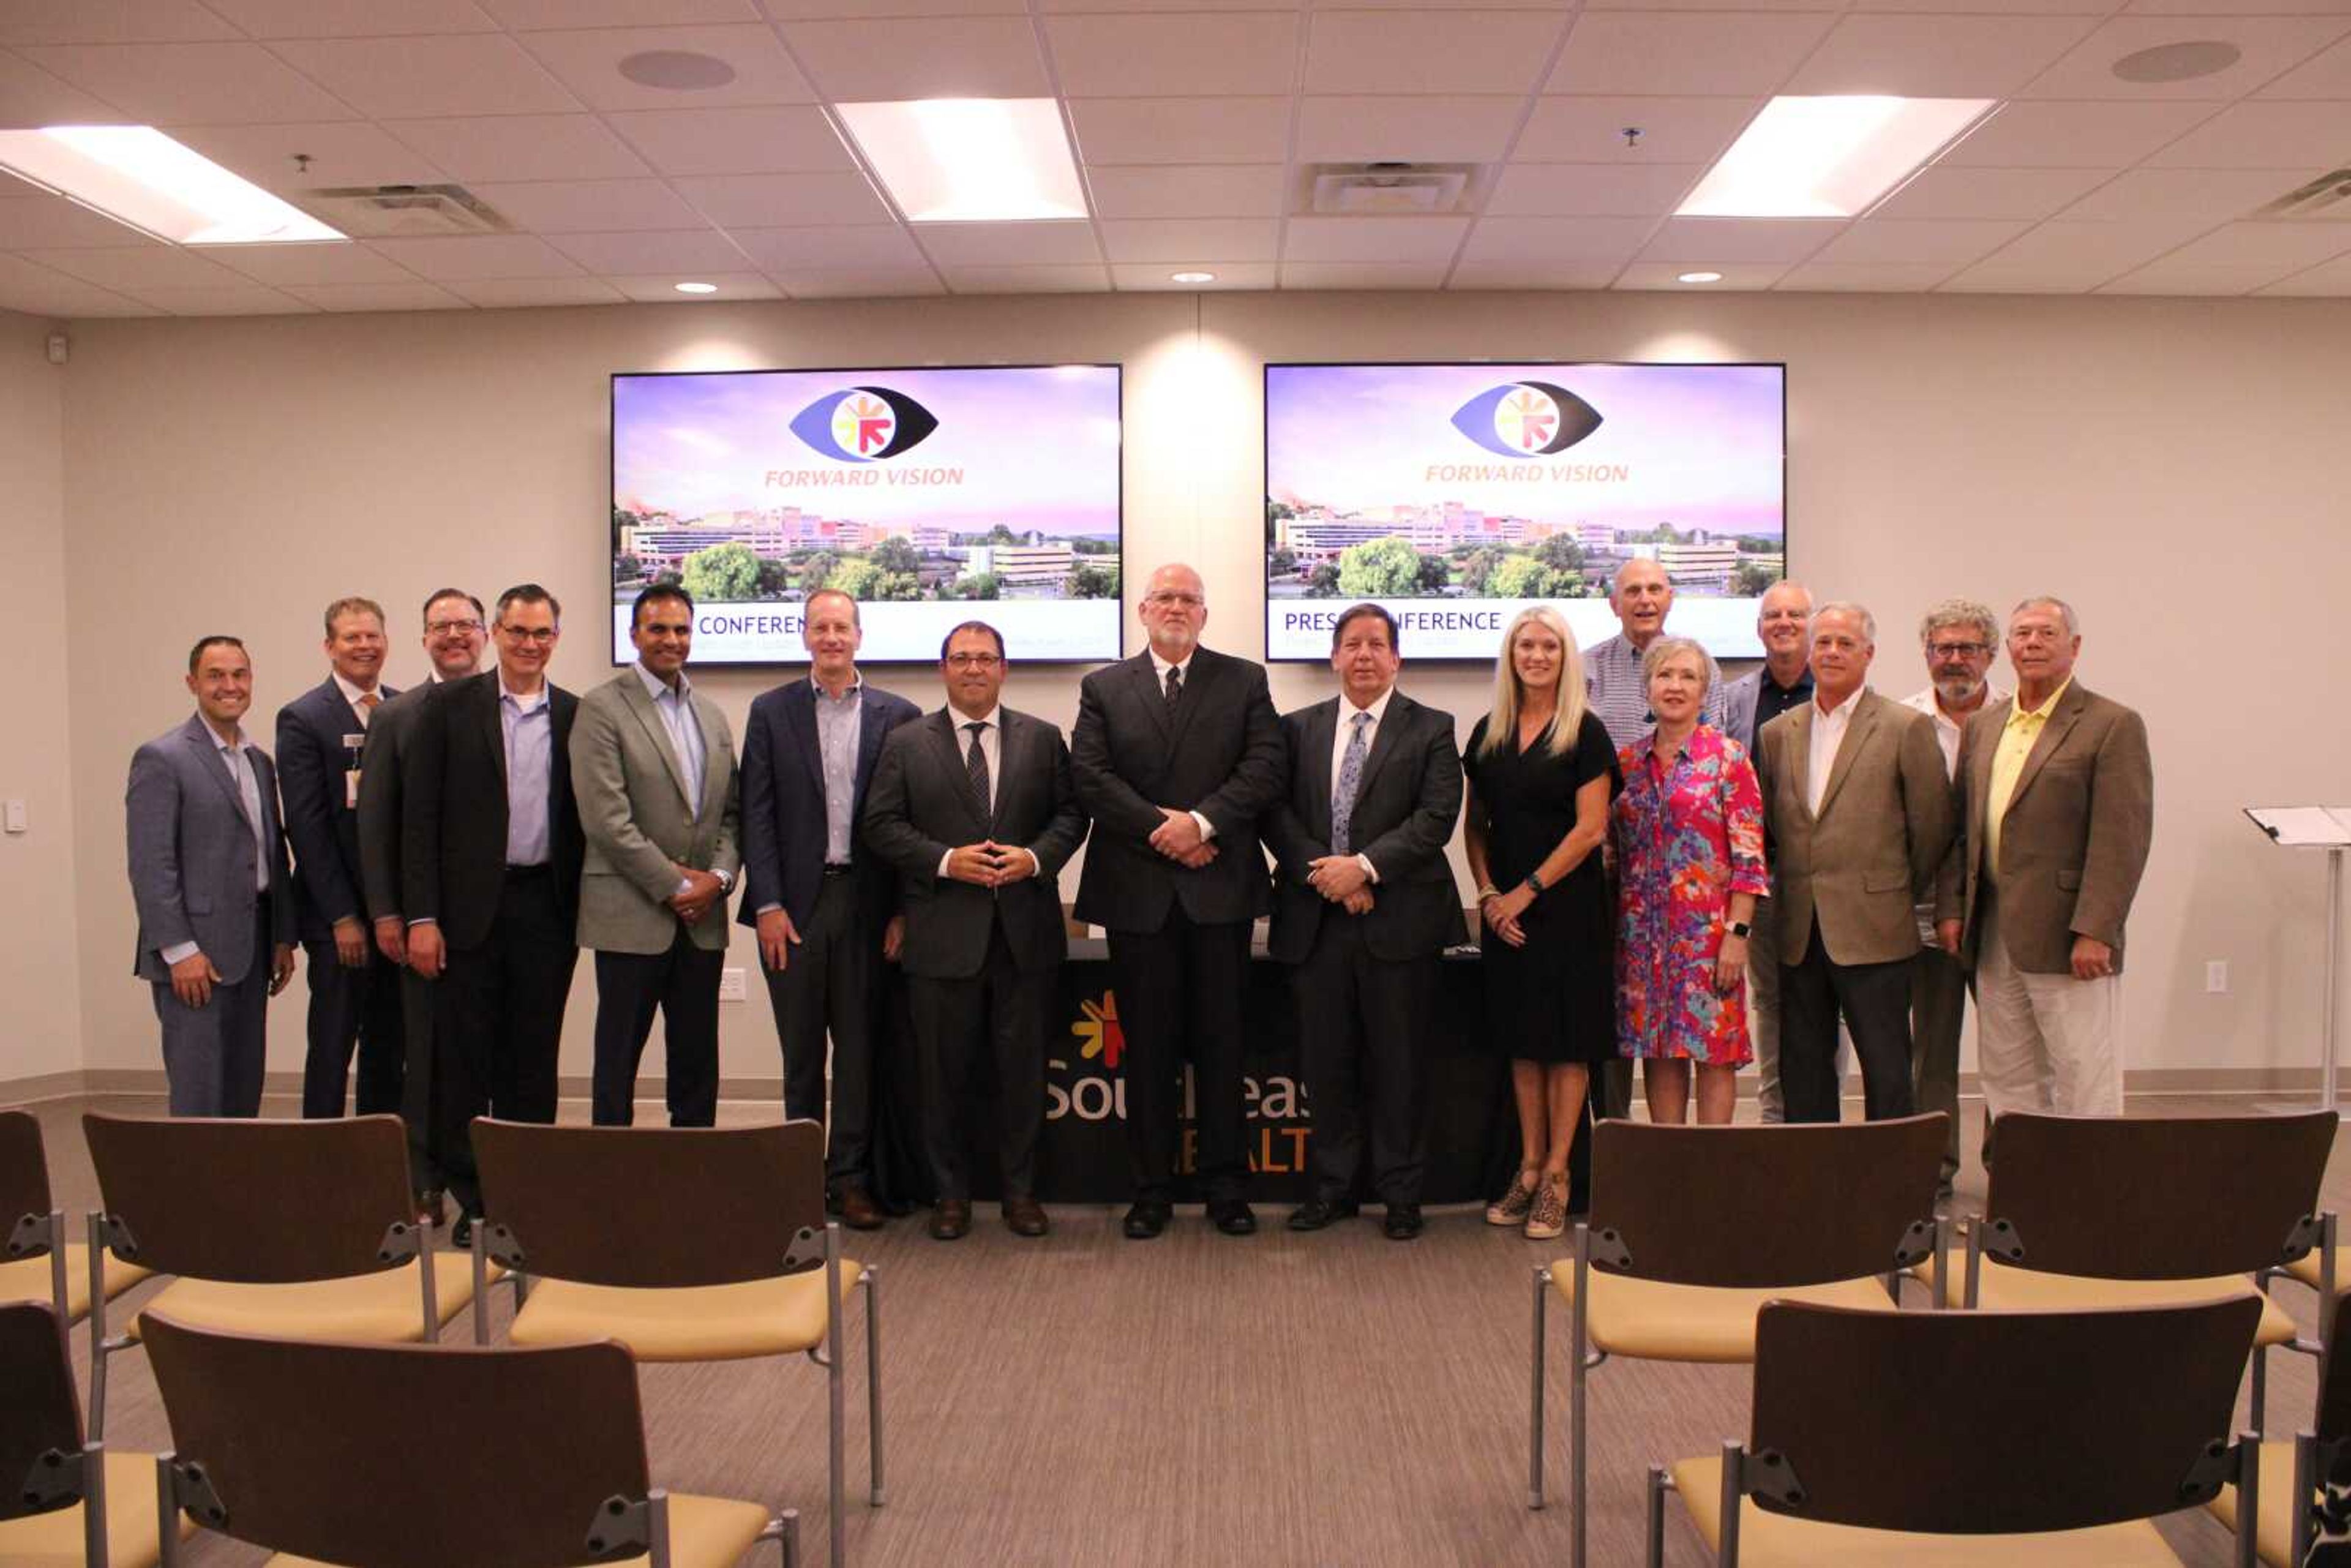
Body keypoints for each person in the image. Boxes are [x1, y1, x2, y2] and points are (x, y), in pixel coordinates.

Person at [1071, 563, 1284, 1240]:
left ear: (1204, 613)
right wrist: (1165, 830)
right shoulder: (1103, 687)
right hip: (1138, 897)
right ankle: (1151, 1190)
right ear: (1141, 610)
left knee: (1224, 1049)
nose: (1176, 607)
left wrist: (1202, 823)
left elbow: (1265, 766)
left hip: (1219, 891)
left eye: (1189, 598)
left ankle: (1227, 1188)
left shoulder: (1244, 679)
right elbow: (1090, 776)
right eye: (1165, 596)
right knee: (1148, 1053)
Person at [863, 622, 1088, 1240]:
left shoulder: (1043, 740)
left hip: (1025, 936)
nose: (973, 669)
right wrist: (943, 859)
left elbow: (1072, 814)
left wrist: (1036, 859)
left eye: (985, 658)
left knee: (1023, 1075)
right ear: (943, 669)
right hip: (940, 939)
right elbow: (880, 825)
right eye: (961, 658)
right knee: (943, 1078)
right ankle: (951, 1195)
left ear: (1004, 669)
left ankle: (1021, 1192)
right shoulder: (906, 742)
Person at [1263, 604, 1464, 1242]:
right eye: (1353, 644)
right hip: (1315, 922)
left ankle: (1401, 1193)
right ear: (1334, 656)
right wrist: (1329, 875)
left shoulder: (1433, 727)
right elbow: (1274, 813)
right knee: (1326, 1065)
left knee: (1399, 1065)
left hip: (1400, 922)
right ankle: (1332, 1190)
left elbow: (1435, 819)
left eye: (1378, 644)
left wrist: (1366, 868)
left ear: (1397, 657)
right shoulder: (1296, 729)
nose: (1365, 655)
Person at [401, 584, 585, 1237]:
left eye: (542, 634)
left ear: (555, 639)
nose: (529, 645)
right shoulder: (449, 708)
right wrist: (421, 916)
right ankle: (475, 1199)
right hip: (465, 913)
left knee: (532, 1058)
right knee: (464, 1059)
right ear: (496, 635)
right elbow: (418, 820)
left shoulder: (575, 714)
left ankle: (524, 1193)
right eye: (517, 632)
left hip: (547, 907)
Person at [739, 588, 919, 1228]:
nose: (832, 636)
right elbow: (756, 815)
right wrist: (766, 902)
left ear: (860, 636)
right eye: (821, 626)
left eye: (843, 626)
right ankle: (796, 1181)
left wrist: (903, 911)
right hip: (794, 909)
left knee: (861, 1050)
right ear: (805, 636)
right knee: (800, 1052)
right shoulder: (770, 711)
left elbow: (909, 825)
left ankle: (849, 1179)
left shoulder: (900, 714)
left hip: (869, 905)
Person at [1937, 596, 2151, 1120]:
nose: (2032, 643)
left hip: (2069, 937)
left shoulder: (2110, 724)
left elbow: (2122, 837)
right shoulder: (1985, 726)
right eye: (2022, 634)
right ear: (2007, 648)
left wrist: (2097, 929)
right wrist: (1954, 908)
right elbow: (1963, 830)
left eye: (2046, 634)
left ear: (2074, 647)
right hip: (1993, 937)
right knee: (2007, 1075)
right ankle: (2025, 1194)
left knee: (2083, 1073)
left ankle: (2088, 1198)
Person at [1752, 602, 1952, 1123]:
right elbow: (1773, 826)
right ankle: (1816, 1184)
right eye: (1823, 643)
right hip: (1799, 929)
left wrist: (1885, 887)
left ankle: (1892, 1189)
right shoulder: (1779, 733)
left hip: (1876, 926)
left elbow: (1931, 829)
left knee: (1887, 1069)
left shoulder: (1905, 727)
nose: (1833, 652)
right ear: (1809, 651)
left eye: (1845, 643)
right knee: (1804, 1068)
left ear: (1869, 653)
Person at [1461, 606, 1616, 1240]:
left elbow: (1591, 829)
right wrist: (1490, 892)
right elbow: (1474, 827)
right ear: (1511, 654)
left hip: (1569, 909)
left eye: (1549, 645)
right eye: (1526, 644)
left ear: (1565, 655)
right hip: (1507, 916)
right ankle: (1526, 1166)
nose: (1536, 654)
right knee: (1524, 1042)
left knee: (1567, 1044)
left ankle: (1558, 1175)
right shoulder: (1490, 732)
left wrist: (1524, 892)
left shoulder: (1586, 731)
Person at [572, 585, 741, 1129]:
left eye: (681, 630)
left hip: (702, 921)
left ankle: (690, 1176)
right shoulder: (602, 707)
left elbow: (730, 816)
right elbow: (606, 820)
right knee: (618, 1061)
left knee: (697, 1062)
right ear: (634, 635)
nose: (672, 640)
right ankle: (611, 1184)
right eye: (659, 629)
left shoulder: (712, 716)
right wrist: (675, 886)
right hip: (631, 915)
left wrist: (717, 878)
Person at [356, 588, 486, 1217]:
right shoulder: (396, 716)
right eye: (442, 626)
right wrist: (389, 912)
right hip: (424, 922)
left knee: (487, 1056)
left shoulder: (508, 710)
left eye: (466, 624)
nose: (455, 635)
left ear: (484, 634)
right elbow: (377, 824)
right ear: (424, 636)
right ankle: (424, 1181)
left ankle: (487, 1180)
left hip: (495, 919)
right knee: (427, 1052)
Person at [126, 636, 296, 1117]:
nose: (230, 686)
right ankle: (194, 1194)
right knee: (200, 1095)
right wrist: (180, 951)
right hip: (195, 958)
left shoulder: (258, 762)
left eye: (239, 674)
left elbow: (269, 852)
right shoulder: (163, 758)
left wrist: (282, 935)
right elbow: (150, 864)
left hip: (254, 946)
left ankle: (238, 1191)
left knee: (244, 1090)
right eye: (216, 675)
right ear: (192, 683)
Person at [1581, 557, 1724, 1120]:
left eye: (1655, 589)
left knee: (1691, 1034)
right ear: (1614, 602)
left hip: (1688, 883)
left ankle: (1696, 1167)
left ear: (1671, 599)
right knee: (1617, 1015)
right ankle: (1615, 1144)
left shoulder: (1700, 664)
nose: (1644, 599)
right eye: (1632, 590)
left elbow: (1714, 762)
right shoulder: (1587, 668)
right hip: (1607, 864)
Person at [1613, 637, 1766, 1125]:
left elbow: (1749, 859)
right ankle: (1672, 1176)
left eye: (1688, 676)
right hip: (1644, 941)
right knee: (1660, 1052)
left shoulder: (1729, 759)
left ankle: (1712, 1180)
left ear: (1704, 692)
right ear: (1648, 688)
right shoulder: (1628, 765)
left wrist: (1736, 936)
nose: (1675, 685)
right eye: (1665, 675)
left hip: (1709, 940)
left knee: (1714, 1054)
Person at [277, 596, 403, 1122]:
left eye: (372, 635)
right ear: (330, 646)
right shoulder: (304, 718)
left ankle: (381, 1158)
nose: (364, 646)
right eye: (351, 637)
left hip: (392, 917)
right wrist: (343, 917)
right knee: (332, 1046)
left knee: (387, 1050)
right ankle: (320, 1166)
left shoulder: (403, 707)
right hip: (340, 923)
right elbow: (307, 829)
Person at [1902, 598, 2007, 1191]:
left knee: (2008, 1047)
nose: (1955, 659)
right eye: (1944, 647)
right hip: (1924, 913)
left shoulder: (2019, 717)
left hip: (2003, 913)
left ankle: (2007, 1164)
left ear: (1991, 654)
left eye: (1968, 647)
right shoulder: (1904, 719)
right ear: (1927, 654)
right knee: (1931, 1048)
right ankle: (1934, 1170)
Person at [1719, 580, 1815, 1122]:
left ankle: (1818, 1114)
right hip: (1760, 880)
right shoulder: (1734, 700)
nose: (1783, 623)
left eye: (1795, 615)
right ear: (1758, 629)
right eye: (1773, 615)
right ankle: (1777, 1118)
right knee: (1771, 1000)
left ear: (1812, 625)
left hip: (1823, 878)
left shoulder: (1836, 690)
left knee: (1827, 1004)